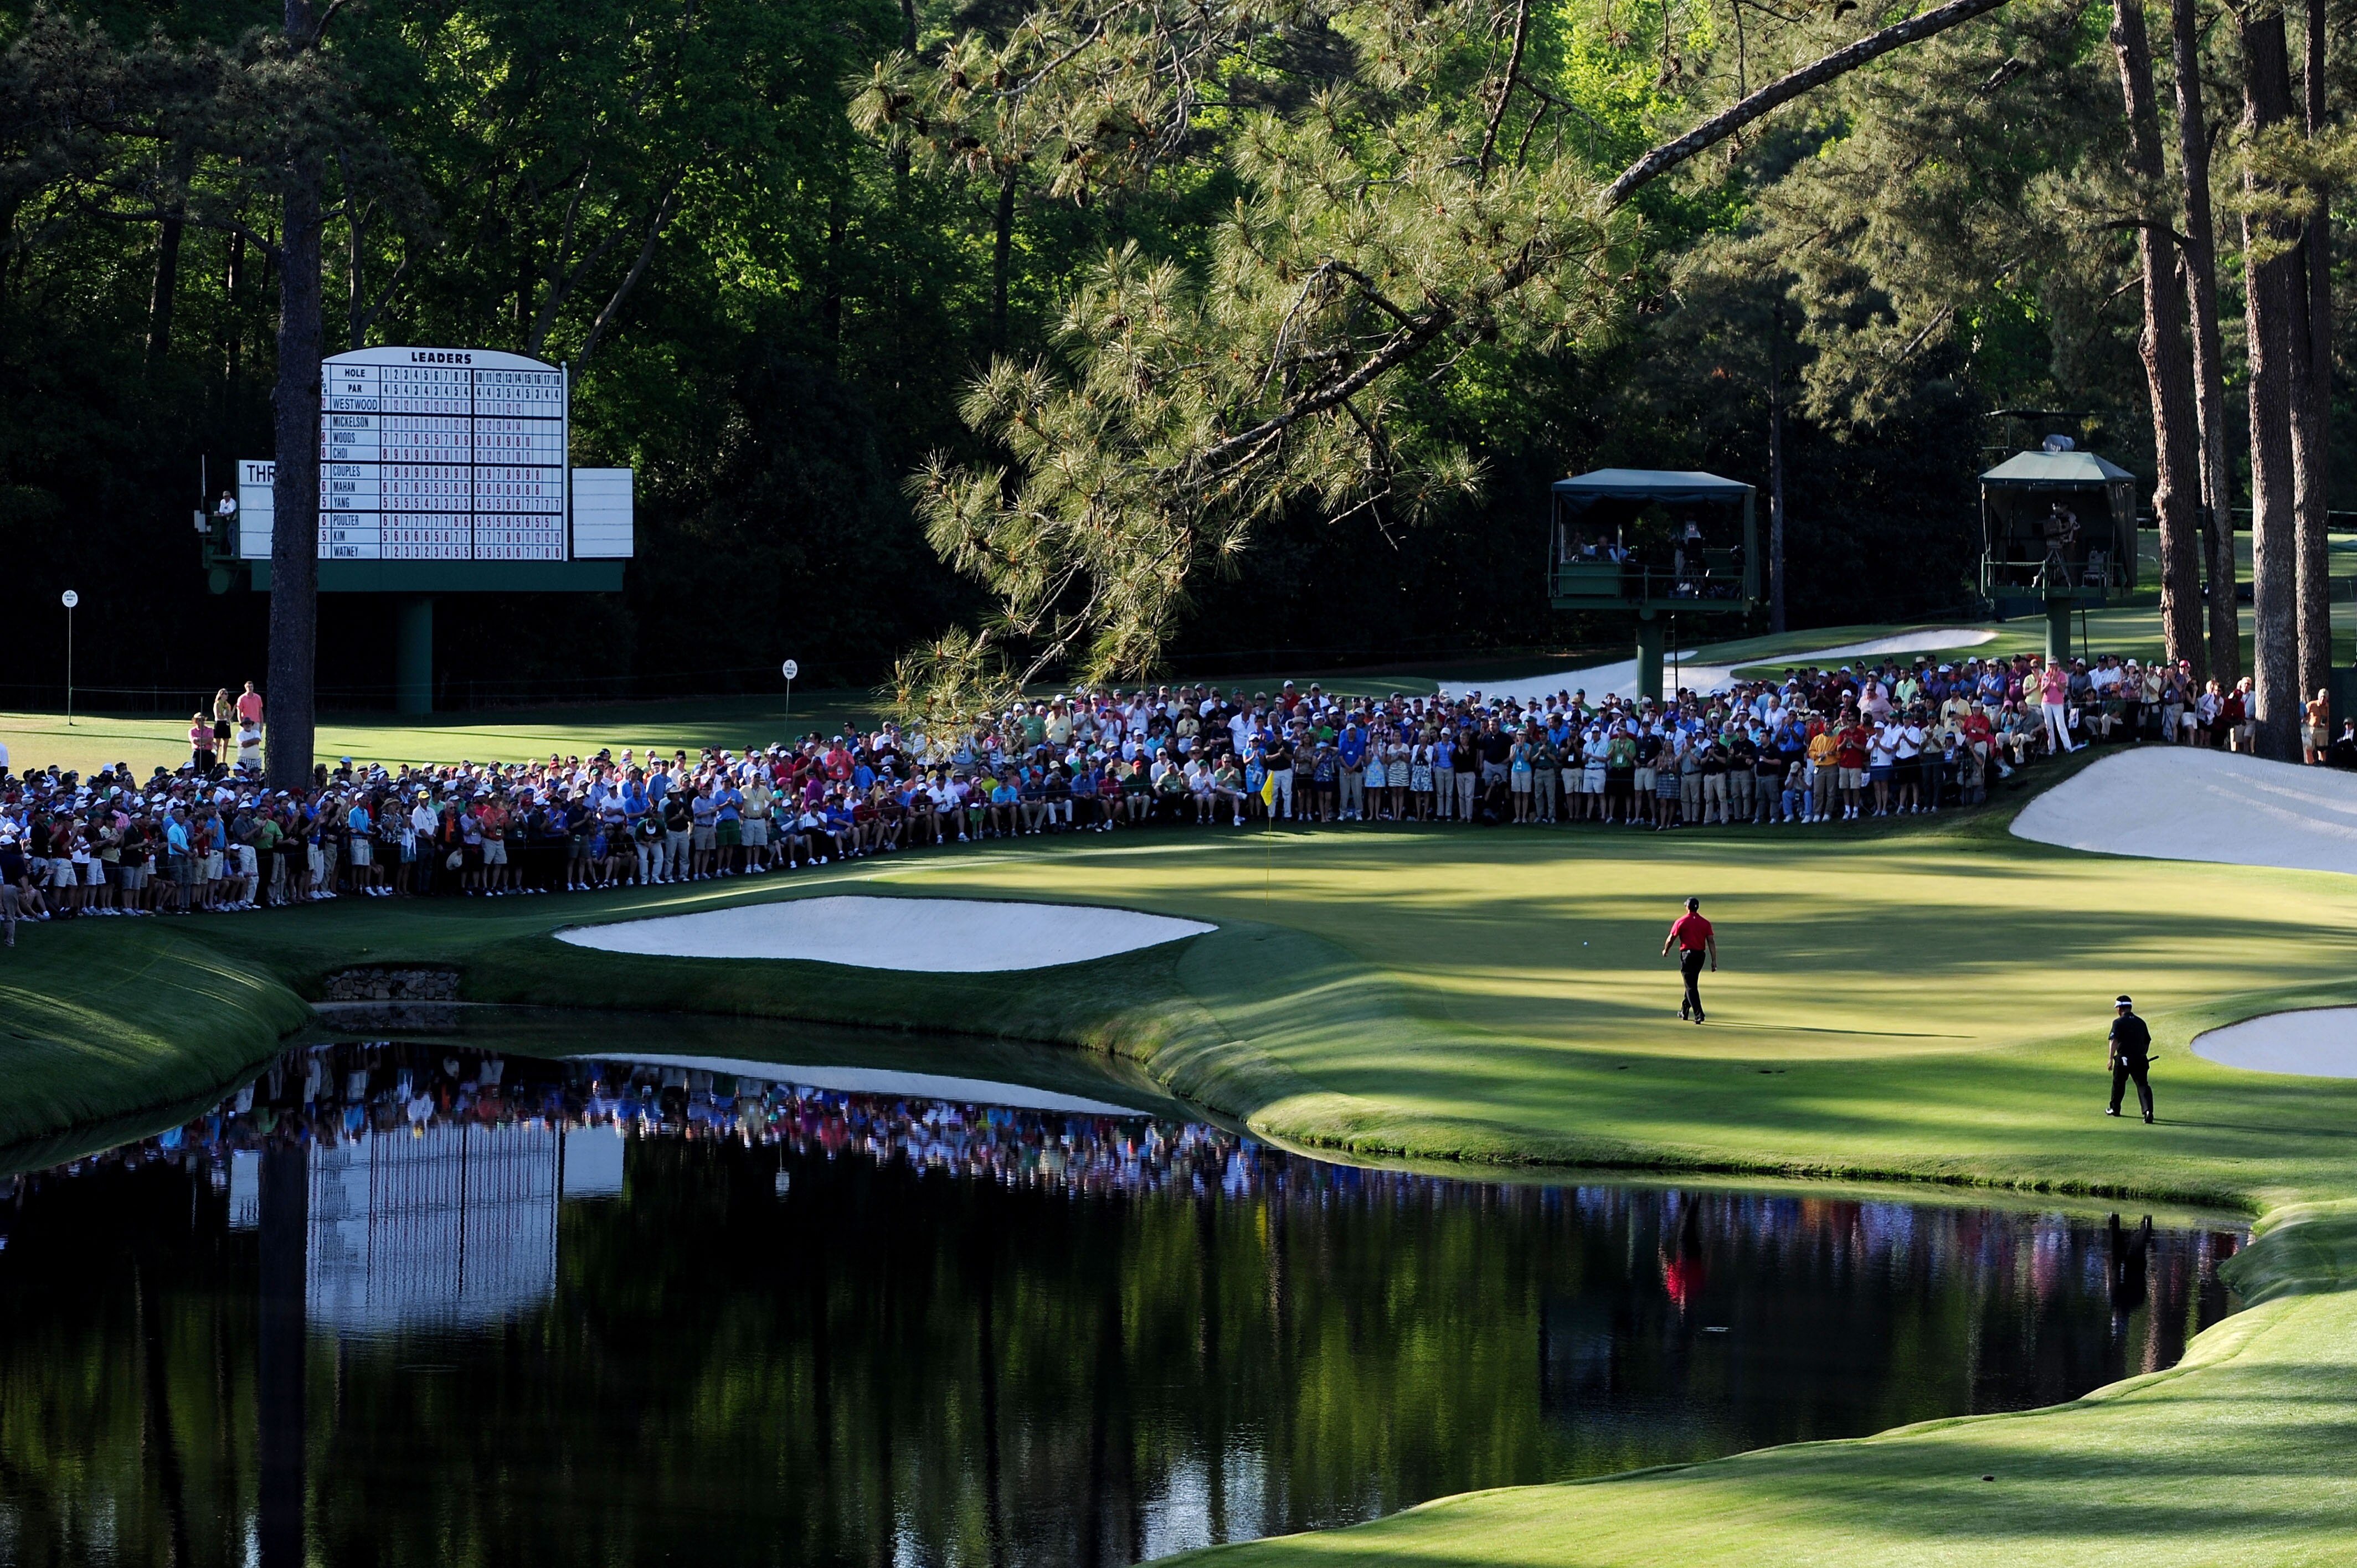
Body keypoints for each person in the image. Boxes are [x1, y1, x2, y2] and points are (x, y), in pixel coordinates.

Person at [1661, 895, 1717, 1024]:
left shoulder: (1682, 921)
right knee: (1691, 984)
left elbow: (1671, 938)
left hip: (1687, 956)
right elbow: (1711, 942)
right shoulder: (1705, 923)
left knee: (1691, 986)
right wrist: (1714, 961)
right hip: (1700, 957)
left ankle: (1699, 1014)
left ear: (1687, 907)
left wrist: (1666, 950)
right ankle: (1684, 1011)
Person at [2107, 993, 2154, 1123]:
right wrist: (2142, 1054)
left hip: (2123, 1059)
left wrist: (2110, 1059)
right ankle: (2148, 1111)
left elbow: (2114, 1041)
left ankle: (2115, 1109)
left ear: (2120, 1009)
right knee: (2143, 1085)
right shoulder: (2141, 1022)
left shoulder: (2118, 1022)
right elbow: (2147, 1042)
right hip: (2140, 1059)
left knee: (2119, 1083)